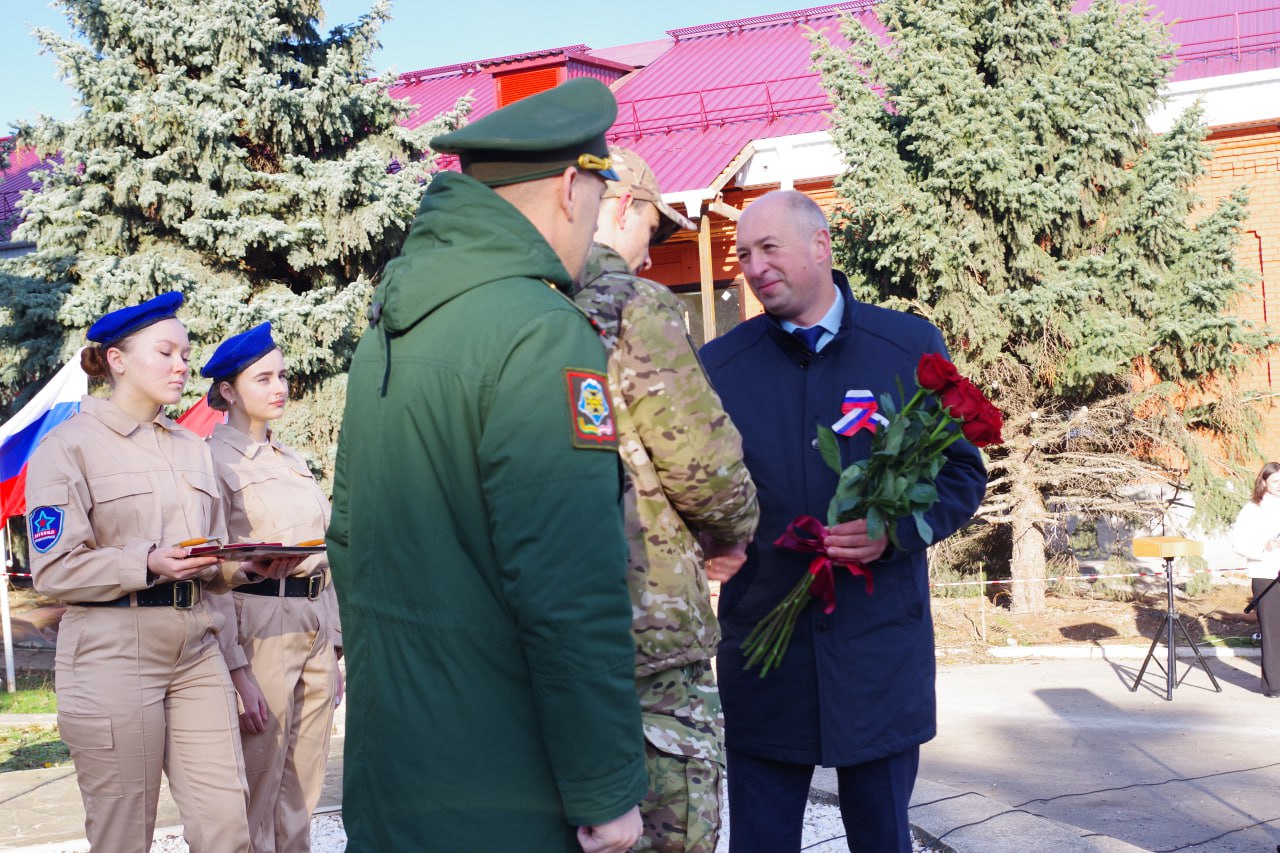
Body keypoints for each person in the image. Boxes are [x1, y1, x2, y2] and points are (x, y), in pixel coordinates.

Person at [327, 77, 647, 853]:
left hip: (397, 771)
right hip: (504, 779)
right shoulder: (539, 332)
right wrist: (606, 786)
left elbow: (351, 538)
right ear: (571, 185)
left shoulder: (394, 325)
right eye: (599, 193)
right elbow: (568, 583)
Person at [699, 191, 988, 853]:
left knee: (883, 839)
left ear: (821, 245)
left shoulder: (907, 346)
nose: (754, 265)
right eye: (743, 254)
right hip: (765, 659)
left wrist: (897, 533)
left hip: (877, 657)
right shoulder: (720, 366)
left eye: (769, 247)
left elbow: (961, 475)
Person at [573, 148, 760, 852]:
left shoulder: (518, 304)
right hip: (647, 625)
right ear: (622, 206)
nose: (650, 258)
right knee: (672, 828)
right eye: (653, 232)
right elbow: (706, 469)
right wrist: (734, 530)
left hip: (554, 626)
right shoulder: (636, 304)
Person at [24, 291, 252, 853]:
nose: (182, 365)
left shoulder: (192, 449)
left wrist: (243, 566)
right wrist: (146, 561)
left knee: (228, 825)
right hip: (111, 653)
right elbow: (53, 570)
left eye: (186, 353)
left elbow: (210, 559)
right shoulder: (67, 447)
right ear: (118, 360)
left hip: (198, 650)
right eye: (167, 352)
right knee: (123, 833)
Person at [201, 321, 344, 852]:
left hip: (311, 623)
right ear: (228, 391)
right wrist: (236, 669)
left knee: (304, 790)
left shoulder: (292, 459)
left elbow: (322, 554)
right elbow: (212, 571)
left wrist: (333, 644)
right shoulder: (213, 460)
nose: (279, 386)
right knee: (258, 786)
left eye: (282, 375)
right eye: (263, 379)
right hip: (257, 625)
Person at [1231, 461, 1280, 697]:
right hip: (1267, 575)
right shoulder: (1252, 509)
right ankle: (1273, 684)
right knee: (1272, 631)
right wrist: (1264, 546)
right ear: (1264, 482)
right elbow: (1238, 543)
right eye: (1276, 481)